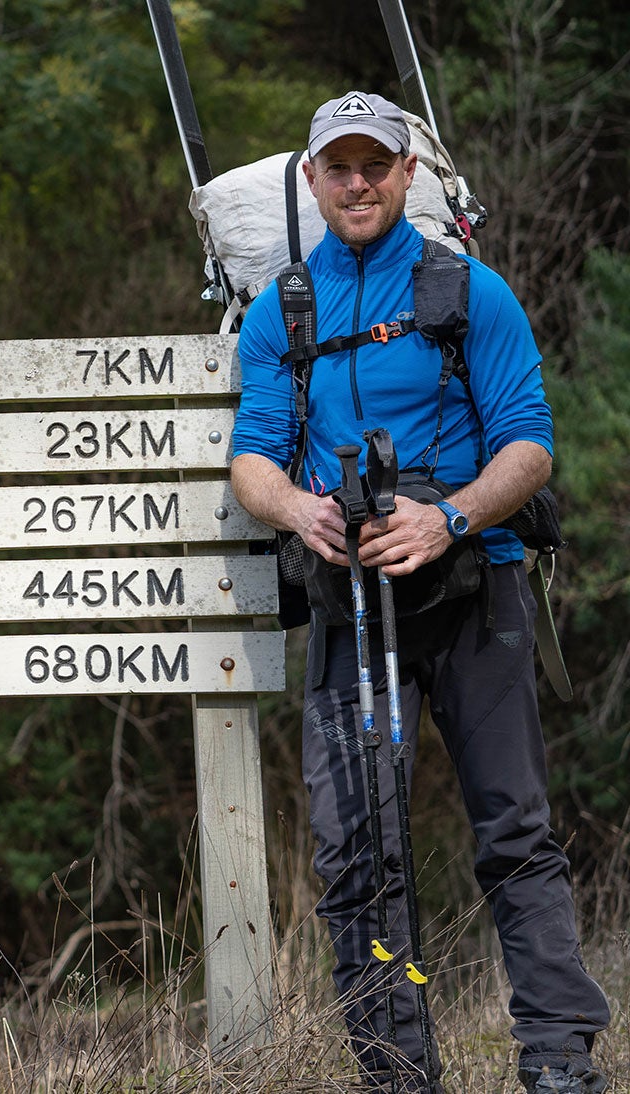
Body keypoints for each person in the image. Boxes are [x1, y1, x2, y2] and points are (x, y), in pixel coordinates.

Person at [230, 92, 610, 1094]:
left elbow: (528, 442)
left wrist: (445, 518)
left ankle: (557, 1054)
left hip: (474, 592)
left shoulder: (471, 291)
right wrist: (296, 511)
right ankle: (393, 1068)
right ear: (310, 180)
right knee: (356, 848)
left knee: (513, 830)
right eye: (337, 167)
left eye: (374, 164)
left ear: (407, 174)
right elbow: (252, 459)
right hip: (349, 600)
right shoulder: (283, 310)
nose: (355, 182)